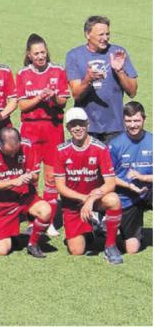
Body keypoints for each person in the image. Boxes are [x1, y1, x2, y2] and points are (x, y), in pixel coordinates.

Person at [54, 108, 124, 264]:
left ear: (88, 124)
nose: (77, 128)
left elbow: (110, 183)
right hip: (73, 204)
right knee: (76, 251)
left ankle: (110, 245)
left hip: (96, 200)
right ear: (67, 127)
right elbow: (60, 187)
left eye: (81, 124)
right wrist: (85, 198)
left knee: (113, 199)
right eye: (73, 125)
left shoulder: (100, 148)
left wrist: (91, 200)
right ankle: (91, 228)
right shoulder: (61, 150)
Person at [16, 33, 69, 237]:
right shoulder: (22, 74)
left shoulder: (58, 71)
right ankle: (34, 219)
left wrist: (53, 97)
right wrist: (39, 97)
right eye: (36, 53)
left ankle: (50, 221)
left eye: (43, 52)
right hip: (30, 130)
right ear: (29, 55)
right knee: (32, 175)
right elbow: (22, 105)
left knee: (51, 177)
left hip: (53, 128)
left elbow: (63, 101)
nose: (40, 56)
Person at [0, 127, 52, 258]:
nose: (12, 156)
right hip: (0, 204)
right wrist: (14, 181)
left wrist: (29, 177)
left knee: (45, 210)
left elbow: (35, 176)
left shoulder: (27, 145)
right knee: (1, 251)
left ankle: (33, 244)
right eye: (8, 153)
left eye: (15, 151)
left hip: (24, 197)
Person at [65, 15, 139, 142]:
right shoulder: (74, 56)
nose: (105, 38)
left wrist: (120, 71)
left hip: (115, 127)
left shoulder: (118, 53)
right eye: (101, 34)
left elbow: (132, 92)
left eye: (107, 34)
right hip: (85, 127)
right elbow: (76, 94)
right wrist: (88, 79)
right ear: (87, 34)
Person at [109, 102, 152, 254]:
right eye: (129, 121)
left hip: (149, 190)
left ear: (144, 119)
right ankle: (123, 233)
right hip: (126, 196)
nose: (133, 125)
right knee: (132, 249)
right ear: (123, 121)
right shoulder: (115, 145)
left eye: (137, 120)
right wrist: (128, 185)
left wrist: (143, 177)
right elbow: (108, 177)